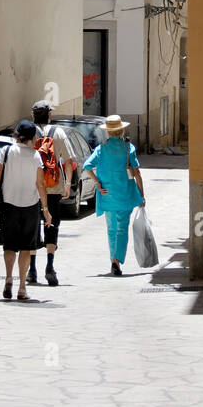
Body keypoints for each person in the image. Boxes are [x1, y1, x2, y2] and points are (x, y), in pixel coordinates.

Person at [0, 119, 53, 301]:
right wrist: (45, 209)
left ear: (16, 134)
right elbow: (40, 184)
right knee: (26, 248)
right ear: (32, 137)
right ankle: (21, 288)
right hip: (30, 206)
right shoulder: (36, 156)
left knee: (9, 245)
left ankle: (8, 278)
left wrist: (10, 186)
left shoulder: (6, 151)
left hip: (8, 204)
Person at [83, 114, 145, 276]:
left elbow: (87, 166)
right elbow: (137, 173)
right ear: (121, 131)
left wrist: (97, 183)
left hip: (107, 195)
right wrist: (141, 195)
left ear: (108, 132)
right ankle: (117, 260)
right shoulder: (128, 149)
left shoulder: (101, 149)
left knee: (111, 229)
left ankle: (113, 260)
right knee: (122, 229)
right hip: (125, 194)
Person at [26, 101, 77, 287]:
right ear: (49, 115)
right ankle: (49, 266)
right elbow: (69, 160)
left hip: (33, 188)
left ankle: (32, 270)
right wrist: (68, 183)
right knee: (52, 226)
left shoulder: (28, 133)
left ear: (34, 115)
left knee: (33, 226)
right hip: (54, 187)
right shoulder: (59, 132)